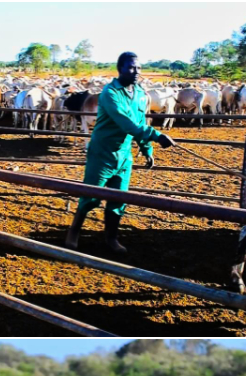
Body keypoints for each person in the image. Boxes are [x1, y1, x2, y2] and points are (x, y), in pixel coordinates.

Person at [64, 52, 175, 254]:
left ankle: (111, 238)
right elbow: (126, 123)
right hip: (102, 153)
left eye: (139, 68)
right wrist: (157, 136)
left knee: (118, 199)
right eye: (131, 67)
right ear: (120, 69)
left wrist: (146, 148)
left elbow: (140, 122)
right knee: (91, 196)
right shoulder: (110, 93)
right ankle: (74, 232)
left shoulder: (140, 94)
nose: (136, 72)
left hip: (124, 155)